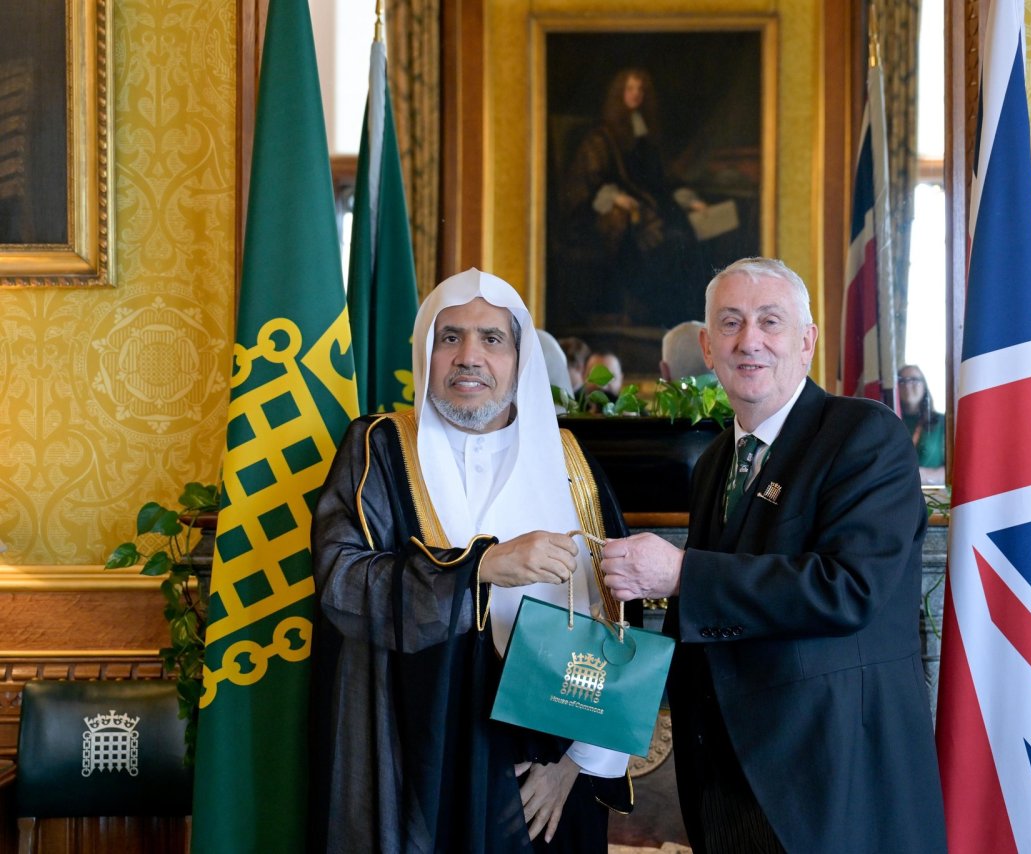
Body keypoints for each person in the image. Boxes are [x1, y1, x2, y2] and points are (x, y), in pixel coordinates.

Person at [600, 257, 946, 853]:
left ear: (806, 341)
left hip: (832, 789)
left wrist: (682, 572)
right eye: (730, 324)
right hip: (726, 784)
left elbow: (849, 588)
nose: (749, 340)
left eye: (770, 321)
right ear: (708, 349)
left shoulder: (865, 436)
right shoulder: (713, 463)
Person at [309, 268, 633, 853]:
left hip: (544, 770)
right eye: (450, 337)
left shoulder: (571, 463)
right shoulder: (380, 448)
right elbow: (342, 580)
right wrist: (479, 569)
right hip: (418, 757)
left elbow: (617, 620)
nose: (468, 357)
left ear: (518, 357)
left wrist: (575, 765)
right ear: (426, 352)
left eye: (491, 339)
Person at [557, 67, 711, 328]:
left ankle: (670, 315)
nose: (636, 94)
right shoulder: (601, 137)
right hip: (609, 211)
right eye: (630, 88)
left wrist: (690, 200)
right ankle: (642, 310)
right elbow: (589, 178)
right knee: (650, 236)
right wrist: (615, 198)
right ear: (620, 93)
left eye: (640, 89)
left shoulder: (646, 136)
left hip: (652, 208)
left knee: (681, 236)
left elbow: (663, 179)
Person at [898, 364, 945, 486]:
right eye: (902, 381)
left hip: (933, 497)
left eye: (914, 379)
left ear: (924, 385)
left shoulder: (943, 422)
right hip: (895, 495)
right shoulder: (888, 421)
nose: (908, 385)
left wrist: (923, 475)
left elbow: (955, 469)